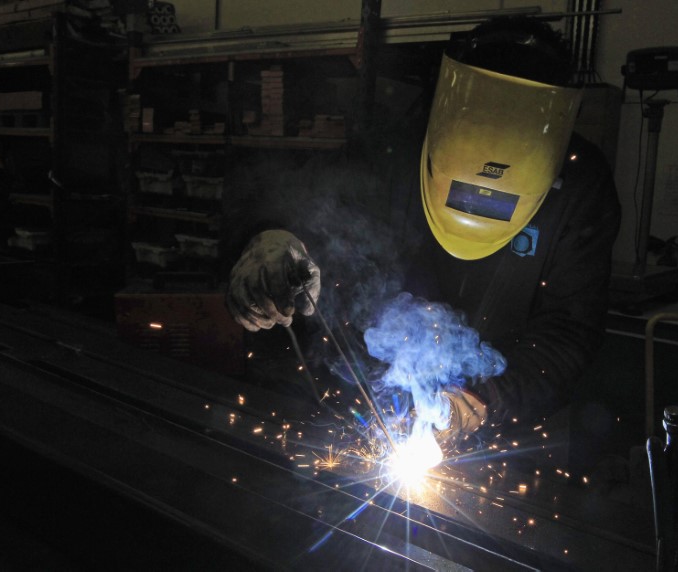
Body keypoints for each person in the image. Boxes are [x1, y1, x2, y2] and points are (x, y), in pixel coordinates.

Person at [226, 17, 620, 441]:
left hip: (502, 424)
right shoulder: (394, 149)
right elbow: (310, 202)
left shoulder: (580, 184)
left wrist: (487, 397)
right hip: (371, 397)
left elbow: (569, 328)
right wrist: (274, 235)